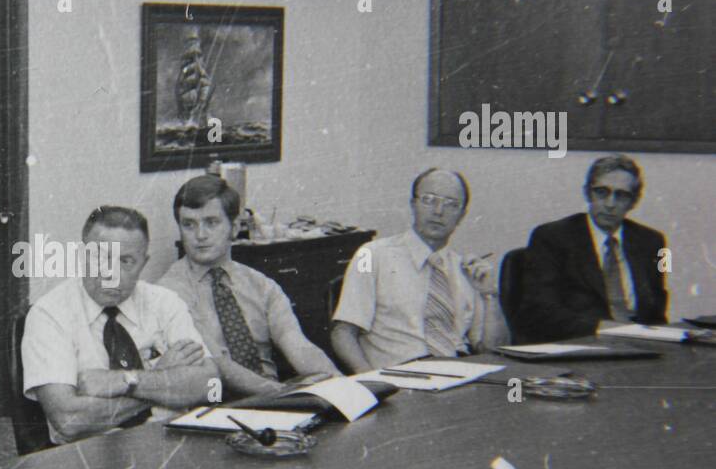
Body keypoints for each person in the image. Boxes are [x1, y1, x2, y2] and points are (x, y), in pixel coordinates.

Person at [21, 205, 218, 444]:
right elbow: (69, 421)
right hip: (93, 455)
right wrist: (161, 378)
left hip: (173, 442)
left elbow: (210, 386)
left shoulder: (164, 302)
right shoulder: (50, 314)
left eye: (126, 261)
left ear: (143, 263)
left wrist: (123, 381)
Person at [158, 175, 338, 399]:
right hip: (216, 406)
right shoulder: (169, 293)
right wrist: (282, 394)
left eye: (211, 222)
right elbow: (218, 364)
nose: (200, 235)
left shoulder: (261, 285)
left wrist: (340, 386)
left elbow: (299, 346)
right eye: (189, 225)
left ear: (234, 227)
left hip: (274, 398)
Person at [331, 169, 506, 372]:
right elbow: (343, 333)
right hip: (398, 376)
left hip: (456, 375)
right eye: (429, 200)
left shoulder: (464, 268)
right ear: (413, 205)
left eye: (451, 204)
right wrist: (372, 382)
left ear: (461, 216)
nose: (438, 211)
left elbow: (494, 350)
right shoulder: (371, 255)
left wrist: (489, 294)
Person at [518, 154, 668, 342]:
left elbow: (658, 307)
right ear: (587, 193)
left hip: (640, 344)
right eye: (602, 192)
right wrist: (606, 328)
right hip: (584, 342)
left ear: (634, 202)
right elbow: (539, 311)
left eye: (621, 195)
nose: (610, 204)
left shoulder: (655, 242)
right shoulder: (550, 237)